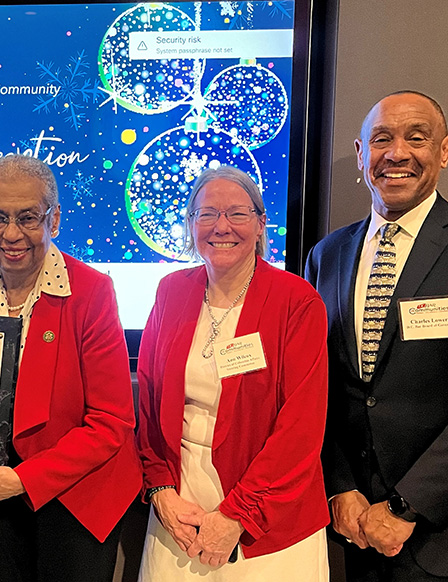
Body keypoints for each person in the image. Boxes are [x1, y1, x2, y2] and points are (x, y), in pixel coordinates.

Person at [0, 155, 141, 582]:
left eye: (28, 217)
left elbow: (112, 422)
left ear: (54, 220)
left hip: (79, 493)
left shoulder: (91, 291)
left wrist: (24, 480)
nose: (12, 234)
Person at [137, 165, 330, 581]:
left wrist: (236, 517)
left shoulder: (298, 302)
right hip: (178, 513)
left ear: (261, 225)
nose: (221, 227)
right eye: (206, 214)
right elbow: (150, 403)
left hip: (269, 521)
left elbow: (301, 431)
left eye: (237, 214)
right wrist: (161, 492)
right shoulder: (171, 291)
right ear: (190, 225)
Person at [305, 91, 448, 581]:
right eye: (381, 139)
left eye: (416, 137)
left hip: (437, 530)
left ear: (444, 152)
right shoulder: (327, 255)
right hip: (353, 527)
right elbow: (318, 384)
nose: (397, 153)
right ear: (360, 153)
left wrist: (407, 508)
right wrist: (339, 486)